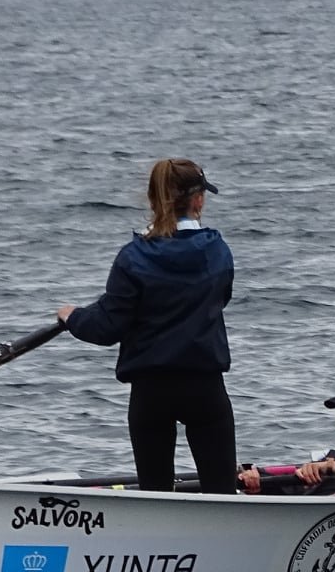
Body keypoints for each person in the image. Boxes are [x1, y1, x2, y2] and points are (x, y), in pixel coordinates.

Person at [59, 157, 237, 494]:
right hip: (204, 387)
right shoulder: (218, 251)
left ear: (154, 200)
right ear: (198, 200)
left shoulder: (132, 257)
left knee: (155, 490)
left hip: (151, 390)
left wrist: (73, 317)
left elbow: (108, 326)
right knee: (222, 489)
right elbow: (220, 299)